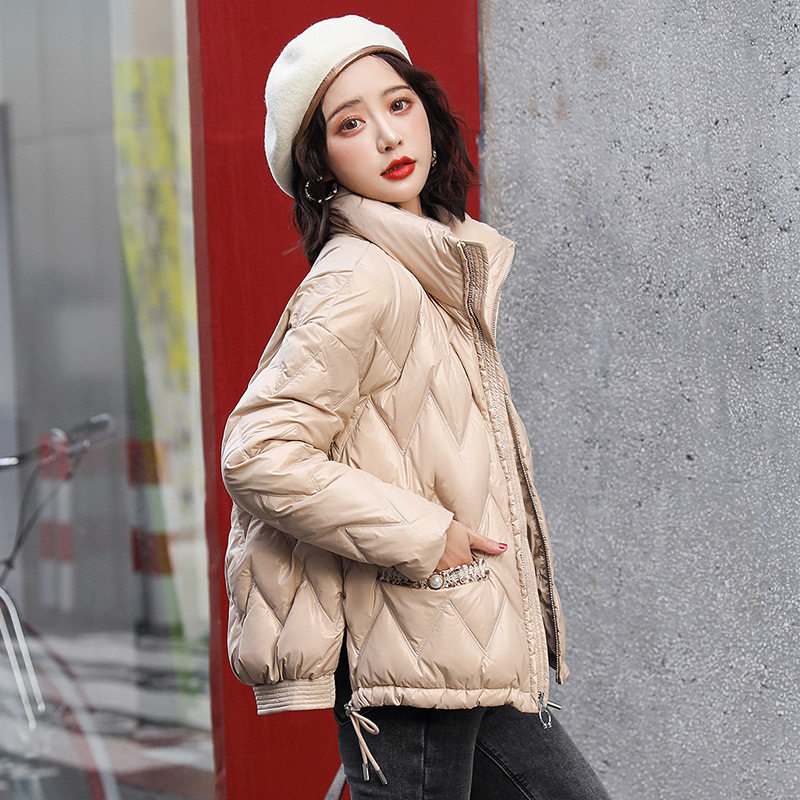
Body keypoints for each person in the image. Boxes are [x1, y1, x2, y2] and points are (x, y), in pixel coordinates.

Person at [220, 14, 612, 800]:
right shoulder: (362, 278)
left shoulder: (429, 267)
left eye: (398, 104)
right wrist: (427, 538)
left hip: (466, 637)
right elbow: (258, 453)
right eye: (349, 124)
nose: (388, 135)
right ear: (320, 166)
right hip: (412, 643)